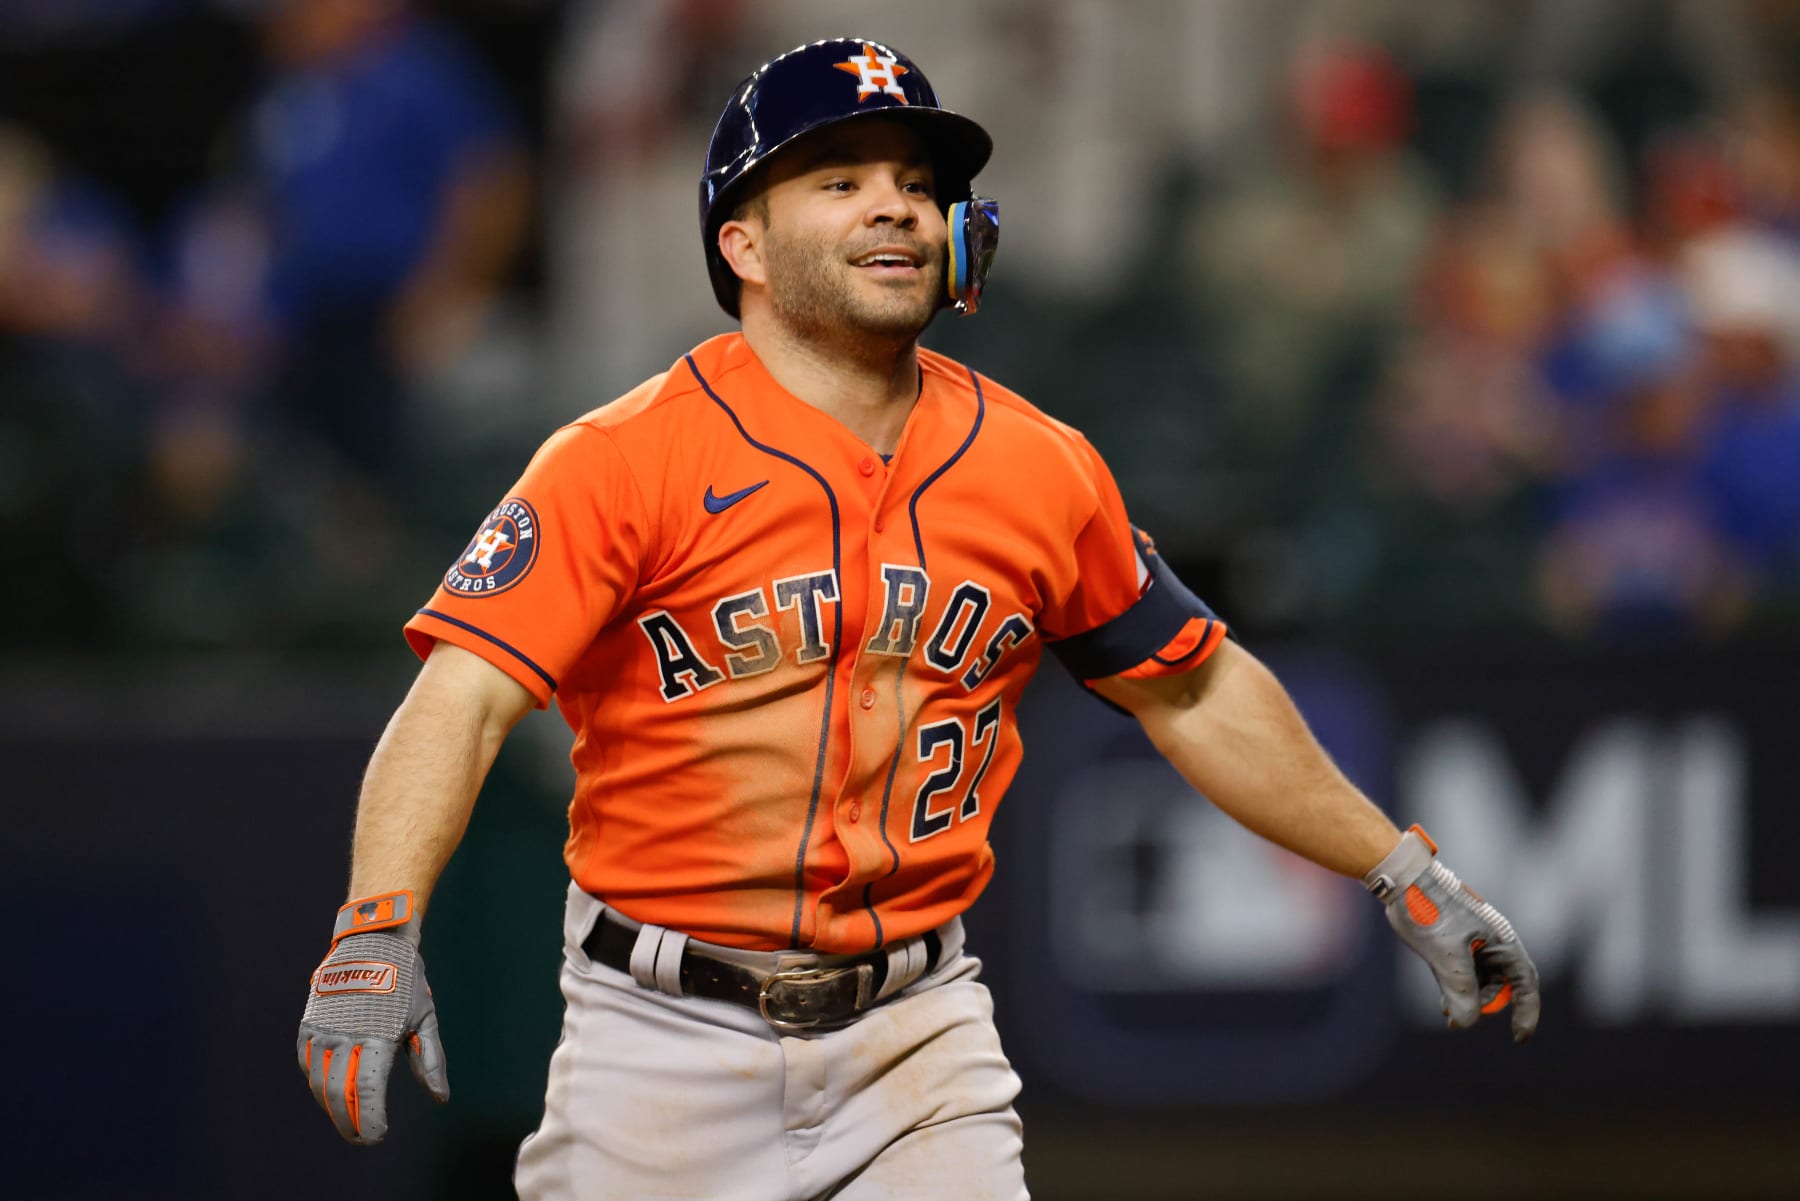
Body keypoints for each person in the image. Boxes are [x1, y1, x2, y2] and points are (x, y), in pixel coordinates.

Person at [296, 38, 1541, 1200]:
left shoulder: (1039, 466)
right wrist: (375, 925)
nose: (894, 204)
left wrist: (1399, 866)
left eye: (914, 180)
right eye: (838, 180)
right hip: (658, 1048)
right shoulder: (619, 461)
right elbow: (458, 701)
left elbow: (1194, 685)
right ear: (742, 243)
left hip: (917, 1036)